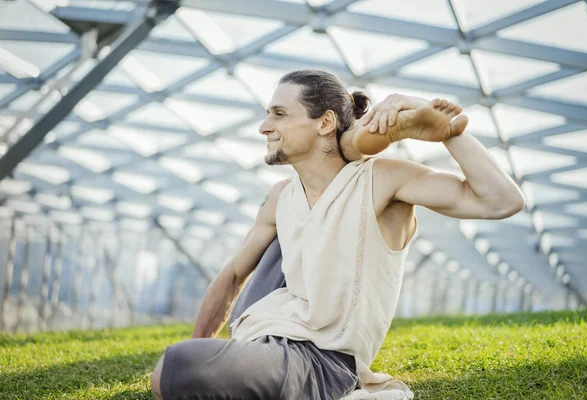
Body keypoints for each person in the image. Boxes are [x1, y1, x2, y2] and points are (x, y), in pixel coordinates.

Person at [150, 70, 525, 400]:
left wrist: (449, 132)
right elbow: (233, 275)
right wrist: (202, 345)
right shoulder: (281, 195)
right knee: (182, 361)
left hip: (322, 360)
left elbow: (501, 201)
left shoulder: (382, 180)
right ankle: (223, 364)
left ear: (326, 122)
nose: (264, 126)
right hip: (264, 337)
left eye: (279, 114)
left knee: (176, 366)